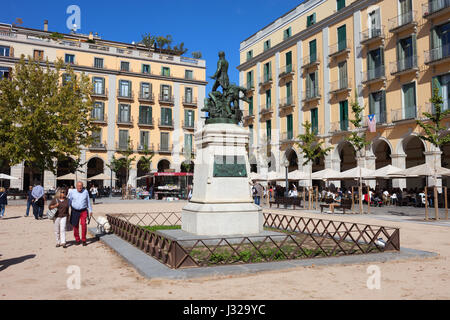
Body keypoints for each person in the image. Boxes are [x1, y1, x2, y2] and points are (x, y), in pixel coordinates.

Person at [68, 181, 93, 246]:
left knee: (84, 224)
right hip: (75, 211)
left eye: (81, 186)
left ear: (82, 186)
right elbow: (69, 201)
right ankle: (77, 239)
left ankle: (84, 240)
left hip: (83, 211)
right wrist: (67, 210)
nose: (80, 187)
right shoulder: (72, 192)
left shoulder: (85, 191)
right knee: (75, 226)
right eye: (78, 186)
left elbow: (88, 201)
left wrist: (90, 210)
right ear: (76, 186)